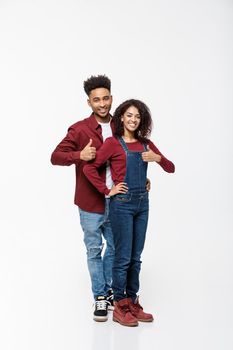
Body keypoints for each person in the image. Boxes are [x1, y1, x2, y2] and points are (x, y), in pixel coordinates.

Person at [83, 99, 175, 327]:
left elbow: (171, 167)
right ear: (121, 117)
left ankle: (133, 301)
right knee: (123, 257)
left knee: (136, 256)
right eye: (129, 115)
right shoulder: (113, 143)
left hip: (142, 204)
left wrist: (158, 159)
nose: (134, 120)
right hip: (121, 205)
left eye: (138, 116)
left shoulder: (146, 144)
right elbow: (89, 167)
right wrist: (107, 190)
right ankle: (120, 305)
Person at [51, 75, 115, 322]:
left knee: (117, 247)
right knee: (93, 249)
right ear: (89, 102)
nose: (102, 104)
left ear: (112, 98)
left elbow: (130, 155)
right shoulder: (79, 129)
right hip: (90, 202)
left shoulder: (121, 125)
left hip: (117, 199)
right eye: (96, 100)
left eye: (106, 98)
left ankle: (109, 290)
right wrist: (80, 154)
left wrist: (141, 179)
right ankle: (100, 296)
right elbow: (56, 156)